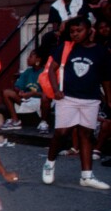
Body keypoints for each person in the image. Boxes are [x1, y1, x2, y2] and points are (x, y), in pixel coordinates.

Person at [42, 17, 111, 190]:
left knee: (86, 134)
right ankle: (49, 163)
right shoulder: (66, 48)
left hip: (91, 99)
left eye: (79, 30)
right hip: (68, 98)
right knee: (62, 132)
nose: (75, 34)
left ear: (89, 30)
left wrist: (109, 98)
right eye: (72, 31)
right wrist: (56, 89)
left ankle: (86, 176)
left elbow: (106, 78)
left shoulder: (100, 51)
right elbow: (52, 68)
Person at [0, 50, 50, 132]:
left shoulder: (45, 73)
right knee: (6, 92)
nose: (28, 59)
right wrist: (19, 91)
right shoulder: (28, 71)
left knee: (45, 97)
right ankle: (15, 120)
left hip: (40, 101)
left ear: (38, 60)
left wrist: (32, 93)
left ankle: (43, 122)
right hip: (27, 99)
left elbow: (48, 94)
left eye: (31, 57)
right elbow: (18, 86)